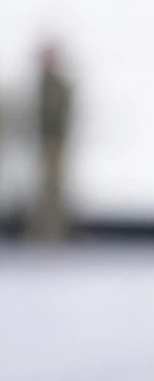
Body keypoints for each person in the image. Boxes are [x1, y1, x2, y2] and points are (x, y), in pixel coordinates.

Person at [29, 41, 74, 244]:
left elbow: (61, 115)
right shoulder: (39, 85)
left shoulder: (60, 86)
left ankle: (53, 235)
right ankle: (40, 234)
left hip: (55, 144)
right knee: (41, 192)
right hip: (42, 144)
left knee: (54, 192)